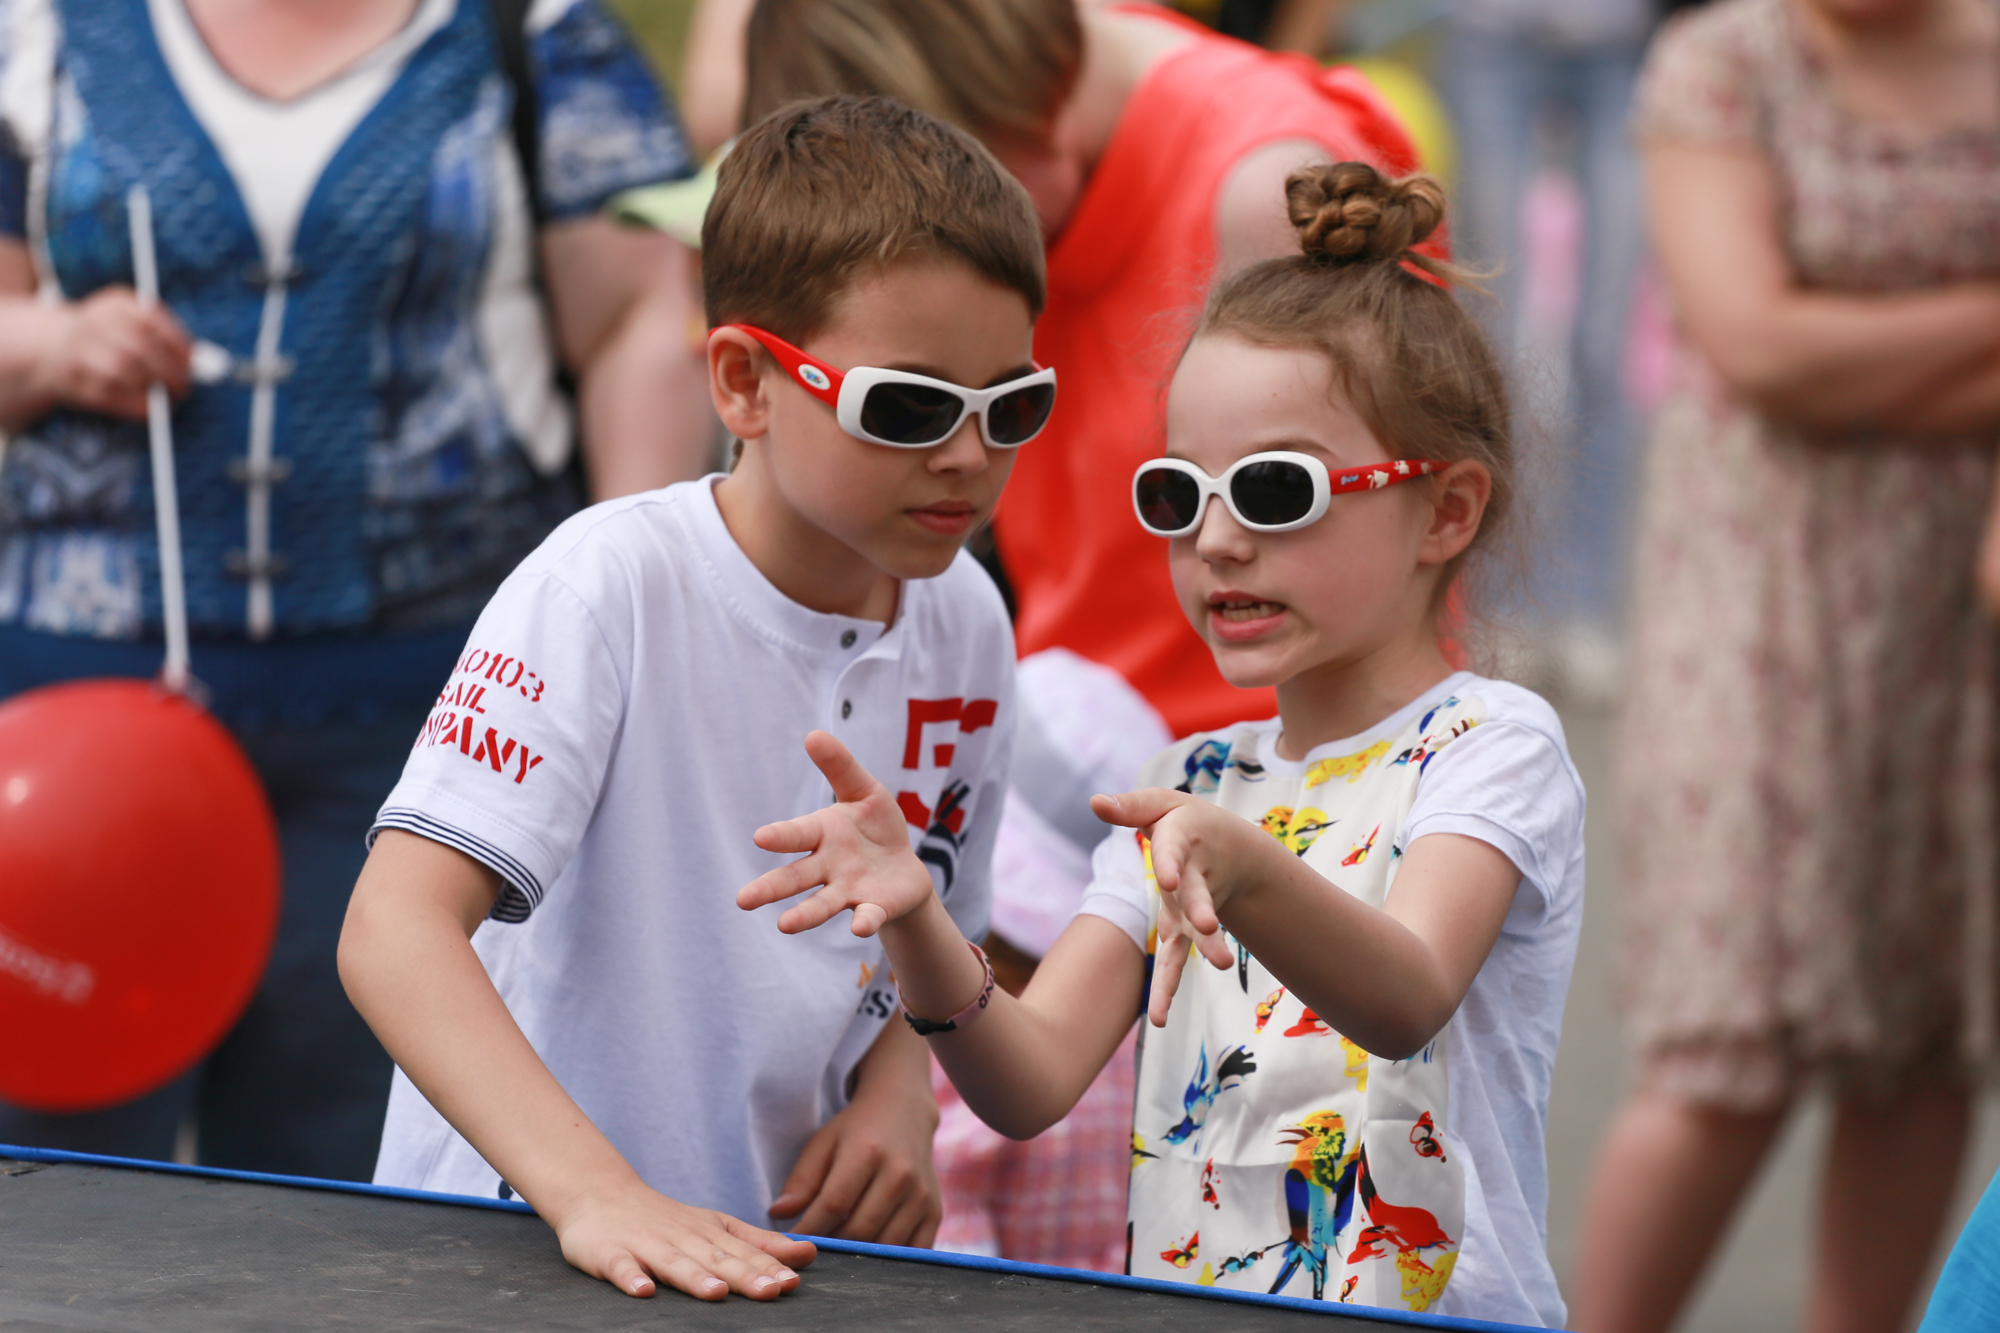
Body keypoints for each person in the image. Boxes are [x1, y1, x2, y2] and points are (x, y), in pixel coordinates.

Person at [740, 163, 1587, 1327]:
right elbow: (1029, 1079)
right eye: (1178, 495)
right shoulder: (1186, 784)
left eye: (1274, 490)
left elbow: (1407, 995)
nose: (1217, 540)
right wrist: (917, 920)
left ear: (1445, 509)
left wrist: (1241, 865)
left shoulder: (1487, 744)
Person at [337, 95, 1047, 1300]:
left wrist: (899, 1094)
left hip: (768, 1252)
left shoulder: (966, 613)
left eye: (1012, 403)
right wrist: (593, 1191)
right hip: (517, 1250)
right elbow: (392, 930)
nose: (969, 456)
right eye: (908, 406)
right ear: (743, 381)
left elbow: (934, 925)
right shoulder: (603, 585)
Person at [0, 0, 703, 1180]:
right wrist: (47, 345)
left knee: (351, 1160)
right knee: (50, 1164)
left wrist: (631, 618)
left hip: (428, 717)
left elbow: (639, 315)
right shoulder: (36, 30)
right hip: (75, 725)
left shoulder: (533, 28)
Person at [1575, 3, 2000, 1332]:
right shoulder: (1723, 62)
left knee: (1924, 1037)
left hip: (1964, 603)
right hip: (1759, 584)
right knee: (1726, 1040)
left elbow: (1809, 358)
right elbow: (1760, 348)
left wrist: (1853, 364)